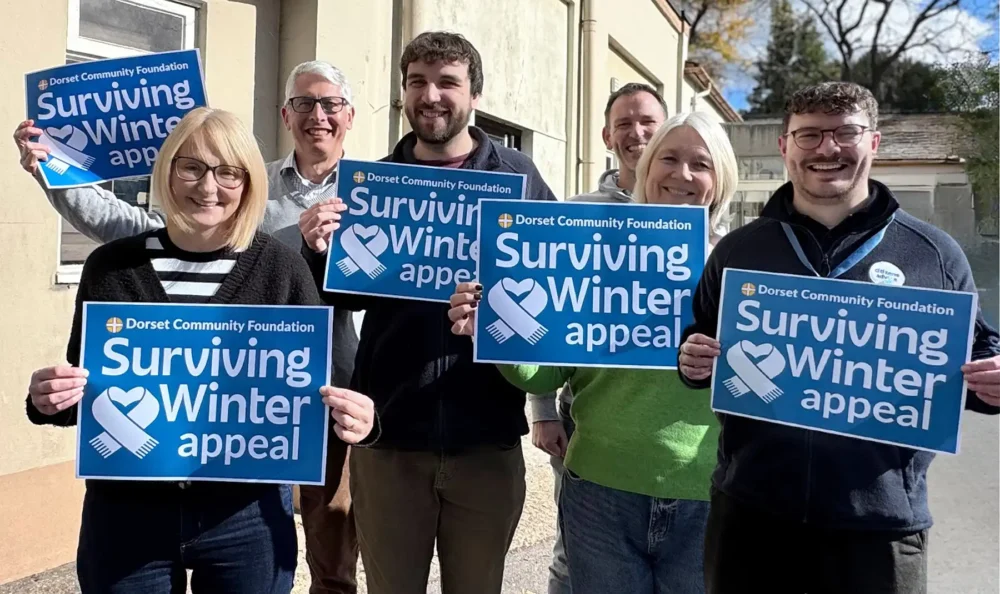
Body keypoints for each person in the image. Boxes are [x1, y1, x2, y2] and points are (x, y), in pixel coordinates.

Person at [14, 60, 363, 594]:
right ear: (167, 171)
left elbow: (310, 393)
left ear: (248, 182)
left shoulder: (282, 268)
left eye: (228, 172)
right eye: (191, 167)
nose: (208, 186)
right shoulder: (112, 267)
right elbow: (88, 394)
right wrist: (49, 401)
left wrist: (360, 419)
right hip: (127, 517)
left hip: (246, 518)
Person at [677, 82, 1000, 594]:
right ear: (785, 146)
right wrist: (691, 361)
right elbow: (700, 342)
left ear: (874, 142)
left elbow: (979, 355)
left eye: (845, 133)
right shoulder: (738, 251)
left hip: (880, 527)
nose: (827, 148)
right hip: (752, 516)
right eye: (809, 135)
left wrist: (993, 381)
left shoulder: (934, 254)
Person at [298, 31, 556, 594]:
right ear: (403, 92)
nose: (430, 95)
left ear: (474, 95)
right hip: (390, 437)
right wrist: (317, 253)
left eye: (447, 82)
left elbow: (552, 293)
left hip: (486, 437)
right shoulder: (373, 185)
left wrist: (496, 319)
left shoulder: (518, 178)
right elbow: (347, 298)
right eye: (417, 82)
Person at [448, 112, 738, 593]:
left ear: (720, 178)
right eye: (668, 159)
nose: (682, 174)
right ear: (647, 168)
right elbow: (546, 376)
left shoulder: (741, 267)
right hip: (600, 493)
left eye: (700, 164)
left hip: (704, 495)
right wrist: (497, 333)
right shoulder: (593, 253)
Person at [530, 82, 668, 594]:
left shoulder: (696, 210)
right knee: (574, 551)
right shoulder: (576, 213)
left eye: (648, 122)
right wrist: (543, 410)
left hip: (667, 421)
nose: (637, 133)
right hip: (587, 413)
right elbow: (549, 313)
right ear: (607, 136)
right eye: (624, 123)